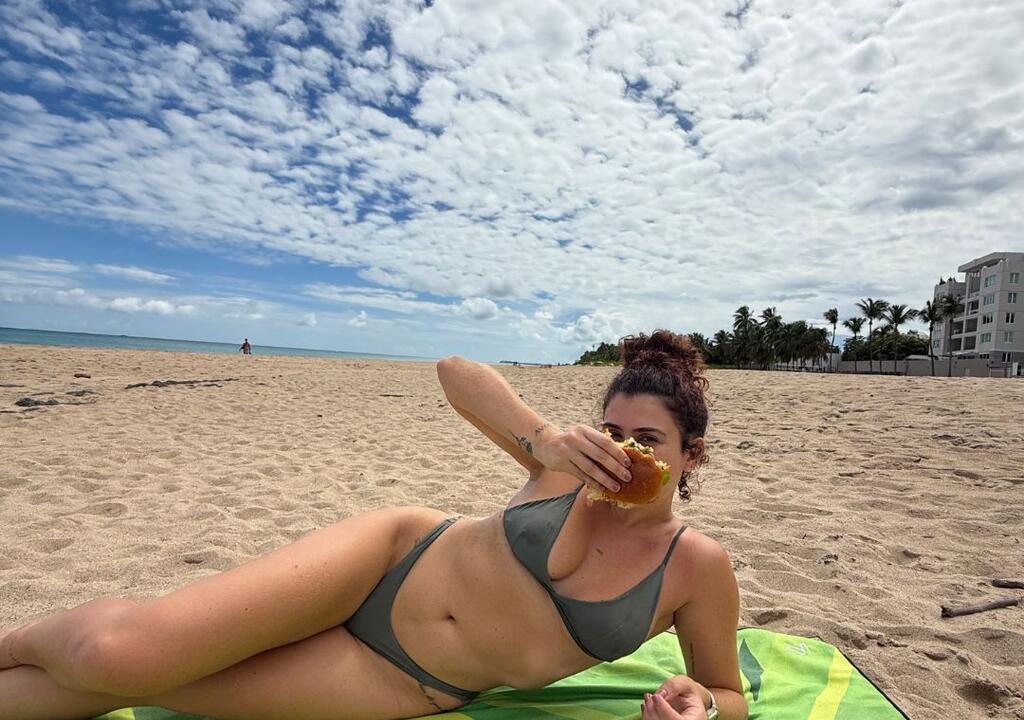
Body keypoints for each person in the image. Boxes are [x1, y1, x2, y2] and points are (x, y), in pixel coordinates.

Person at [0, 330, 747, 720]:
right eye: (612, 431)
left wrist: (706, 707)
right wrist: (546, 438)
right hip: (388, 560)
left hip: (410, 681)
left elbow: (725, 690)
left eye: (647, 441)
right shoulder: (564, 464)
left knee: (159, 686)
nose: (622, 451)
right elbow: (454, 372)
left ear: (691, 455)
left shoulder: (695, 566)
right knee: (116, 657)